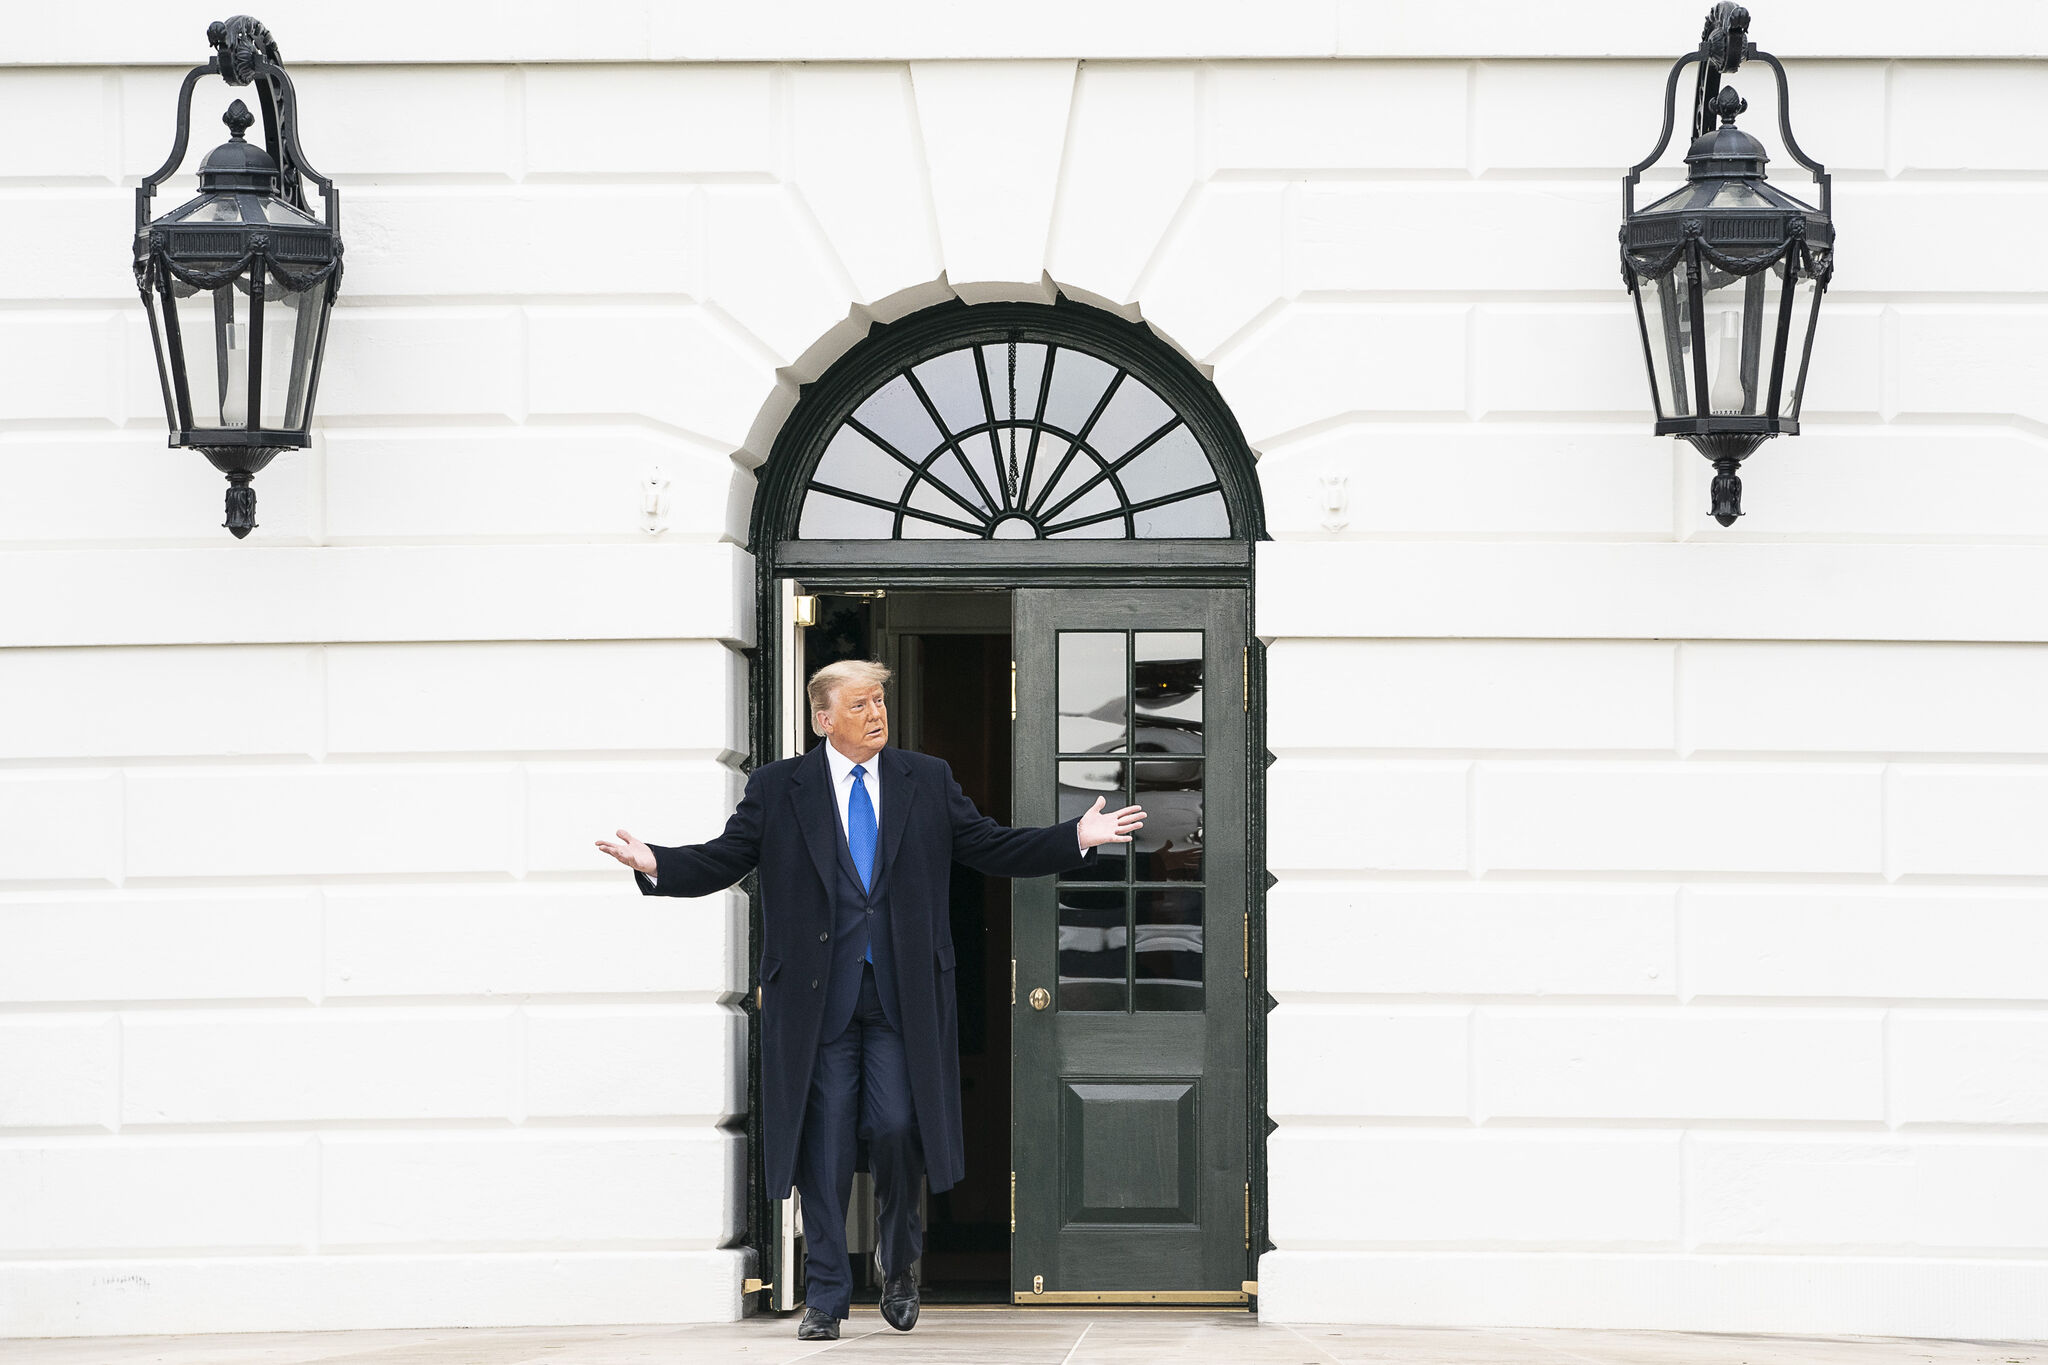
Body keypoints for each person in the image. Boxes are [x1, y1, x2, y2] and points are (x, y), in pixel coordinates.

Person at [596, 659, 1145, 1341]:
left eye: (880, 700)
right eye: (859, 704)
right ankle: (826, 1294)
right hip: (815, 1002)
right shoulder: (777, 788)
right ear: (823, 718)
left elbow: (988, 844)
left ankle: (899, 1266)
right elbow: (725, 856)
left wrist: (1075, 838)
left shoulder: (926, 778)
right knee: (823, 1149)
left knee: (893, 1129)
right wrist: (658, 863)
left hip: (898, 997)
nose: (876, 714)